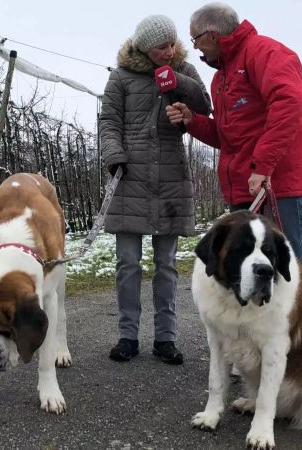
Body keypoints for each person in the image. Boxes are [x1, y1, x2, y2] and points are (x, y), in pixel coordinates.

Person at [99, 14, 212, 364]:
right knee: (127, 263)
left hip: (170, 179)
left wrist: (176, 80)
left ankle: (165, 338)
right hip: (129, 176)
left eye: (173, 43)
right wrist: (114, 154)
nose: (170, 50)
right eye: (162, 46)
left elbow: (205, 107)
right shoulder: (120, 77)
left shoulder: (183, 71)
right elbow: (108, 120)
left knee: (166, 263)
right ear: (145, 47)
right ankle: (127, 336)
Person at [166, 2, 302, 263]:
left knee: (286, 268)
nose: (195, 47)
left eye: (195, 39)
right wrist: (192, 121)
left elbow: (289, 104)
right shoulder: (221, 78)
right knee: (249, 270)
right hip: (246, 188)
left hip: (275, 187)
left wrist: (263, 167)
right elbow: (228, 137)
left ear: (212, 35)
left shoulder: (266, 53)